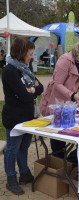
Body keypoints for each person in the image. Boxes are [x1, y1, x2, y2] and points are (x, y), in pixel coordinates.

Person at [39, 38, 79, 158]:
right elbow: (57, 83)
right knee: (58, 133)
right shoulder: (65, 59)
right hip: (56, 101)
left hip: (68, 103)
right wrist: (72, 94)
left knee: (68, 129)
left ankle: (67, 161)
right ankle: (58, 161)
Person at [1, 38, 44, 195]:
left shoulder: (26, 67)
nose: (32, 57)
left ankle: (24, 173)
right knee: (12, 148)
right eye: (30, 53)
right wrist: (32, 90)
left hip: (28, 116)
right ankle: (11, 178)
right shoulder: (10, 71)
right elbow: (25, 96)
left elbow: (41, 88)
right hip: (14, 117)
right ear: (21, 53)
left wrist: (31, 90)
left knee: (24, 146)